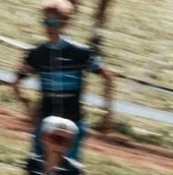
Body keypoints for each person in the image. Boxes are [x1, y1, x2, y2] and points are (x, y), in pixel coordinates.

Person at [10, 0, 115, 159]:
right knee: (37, 171)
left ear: (66, 23)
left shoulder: (81, 53)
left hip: (72, 124)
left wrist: (107, 114)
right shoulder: (37, 53)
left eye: (53, 22)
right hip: (45, 123)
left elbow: (108, 77)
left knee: (67, 174)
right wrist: (28, 107)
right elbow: (16, 83)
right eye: (45, 21)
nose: (48, 27)